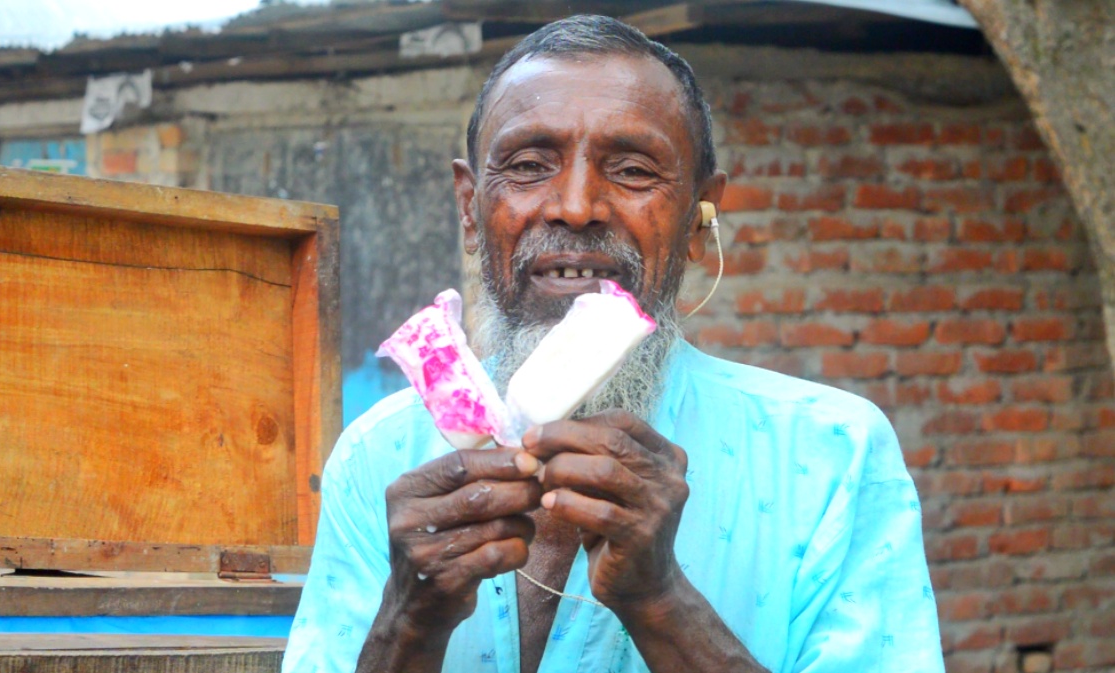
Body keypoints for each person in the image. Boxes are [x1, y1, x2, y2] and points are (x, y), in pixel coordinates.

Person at [284, 14, 943, 673]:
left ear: (698, 218)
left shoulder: (833, 455)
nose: (576, 207)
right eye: (528, 166)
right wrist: (408, 618)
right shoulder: (377, 457)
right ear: (469, 208)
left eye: (632, 170)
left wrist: (661, 600)